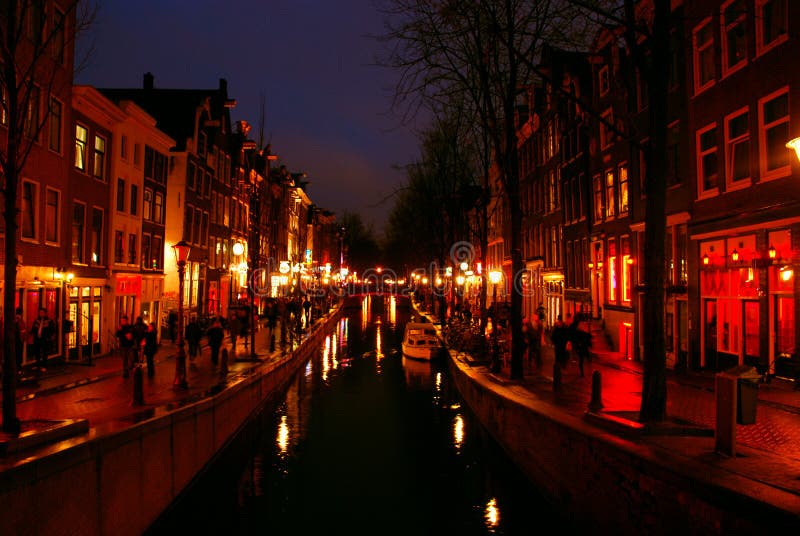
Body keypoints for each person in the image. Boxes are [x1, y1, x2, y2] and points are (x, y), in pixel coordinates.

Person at [570, 313, 591, 377]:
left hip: (581, 345)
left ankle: (585, 371)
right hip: (582, 345)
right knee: (584, 358)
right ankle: (585, 371)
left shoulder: (578, 327)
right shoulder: (582, 327)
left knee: (582, 359)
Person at [14, 308, 26, 373]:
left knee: (18, 353)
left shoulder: (20, 321)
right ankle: (18, 368)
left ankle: (18, 367)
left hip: (19, 340)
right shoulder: (18, 321)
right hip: (17, 340)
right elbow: (22, 330)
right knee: (18, 354)